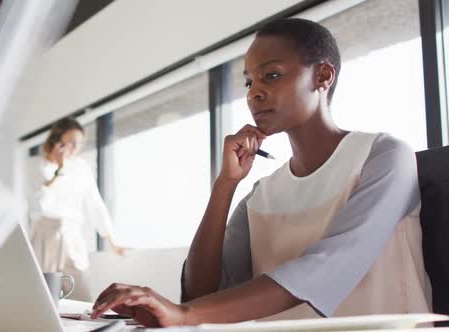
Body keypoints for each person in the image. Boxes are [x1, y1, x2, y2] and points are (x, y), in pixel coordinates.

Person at [89, 18, 431, 326]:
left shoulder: (383, 156)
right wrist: (225, 185)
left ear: (323, 76)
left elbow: (328, 267)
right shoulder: (261, 195)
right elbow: (200, 294)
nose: (255, 93)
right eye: (249, 82)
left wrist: (184, 315)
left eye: (272, 75)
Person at [29, 117, 125, 301]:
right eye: (71, 142)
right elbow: (38, 205)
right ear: (57, 140)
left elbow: (95, 204)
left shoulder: (81, 167)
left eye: (79, 143)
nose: (75, 148)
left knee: (80, 292)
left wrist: (112, 242)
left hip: (72, 234)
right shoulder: (38, 165)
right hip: (44, 235)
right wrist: (59, 170)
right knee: (44, 295)